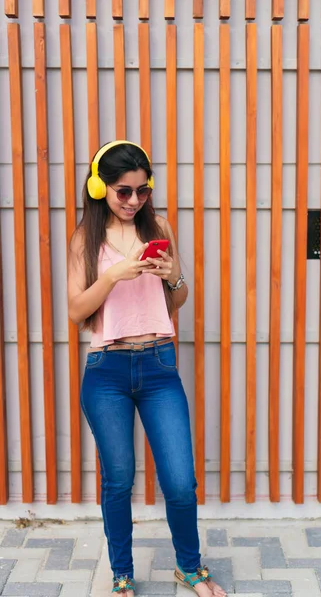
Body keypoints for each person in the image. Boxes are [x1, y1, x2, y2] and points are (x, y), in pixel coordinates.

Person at [67, 141, 227, 597]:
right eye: (123, 192)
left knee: (180, 480)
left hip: (158, 364)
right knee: (118, 479)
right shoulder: (85, 238)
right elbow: (76, 311)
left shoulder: (159, 226)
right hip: (107, 370)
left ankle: (190, 569)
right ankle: (121, 576)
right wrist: (113, 275)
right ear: (100, 188)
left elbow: (176, 300)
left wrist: (171, 274)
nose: (133, 201)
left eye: (141, 191)